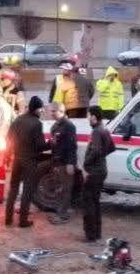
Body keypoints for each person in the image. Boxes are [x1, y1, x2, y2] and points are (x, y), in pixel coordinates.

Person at [5, 96, 50, 228]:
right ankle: (23, 221)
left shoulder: (18, 120)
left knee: (13, 189)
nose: (41, 112)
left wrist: (9, 155)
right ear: (36, 109)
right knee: (27, 190)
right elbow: (40, 145)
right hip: (30, 161)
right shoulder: (37, 124)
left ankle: (8, 219)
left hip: (17, 159)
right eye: (40, 109)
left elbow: (8, 138)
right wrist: (51, 144)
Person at [82, 105, 116, 242]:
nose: (87, 118)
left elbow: (95, 150)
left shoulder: (96, 131)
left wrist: (87, 164)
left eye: (88, 116)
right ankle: (96, 233)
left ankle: (90, 234)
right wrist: (101, 157)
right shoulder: (104, 129)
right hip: (101, 169)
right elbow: (111, 147)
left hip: (94, 172)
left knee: (89, 202)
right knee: (95, 202)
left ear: (94, 117)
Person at [48, 102, 77, 223]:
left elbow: (71, 146)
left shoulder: (69, 126)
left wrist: (71, 163)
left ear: (60, 111)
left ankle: (62, 215)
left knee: (65, 189)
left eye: (53, 111)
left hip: (65, 162)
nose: (51, 113)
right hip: (57, 161)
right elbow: (55, 142)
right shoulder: (56, 125)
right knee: (59, 188)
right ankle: (60, 211)